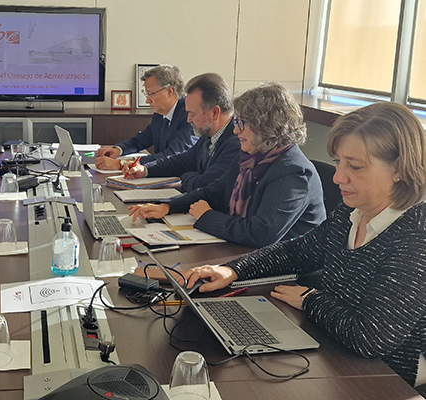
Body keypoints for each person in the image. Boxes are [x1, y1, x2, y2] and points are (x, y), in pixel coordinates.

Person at [180, 102, 426, 389]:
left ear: (399, 168)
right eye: (338, 162)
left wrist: (310, 299)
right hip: (336, 346)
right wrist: (232, 270)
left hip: (390, 374)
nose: (338, 177)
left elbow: (370, 337)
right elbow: (296, 252)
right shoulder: (352, 211)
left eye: (355, 166)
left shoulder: (416, 236)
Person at [129, 83, 325, 248]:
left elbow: (261, 234)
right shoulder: (251, 156)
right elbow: (215, 191)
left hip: (284, 271)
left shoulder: (293, 172)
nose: (236, 130)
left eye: (242, 123)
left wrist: (206, 216)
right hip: (243, 251)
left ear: (267, 125)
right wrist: (166, 206)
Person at [121, 73, 240, 193]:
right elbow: (183, 161)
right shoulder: (209, 133)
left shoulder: (236, 142)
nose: (188, 120)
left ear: (214, 112)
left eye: (192, 114)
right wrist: (145, 170)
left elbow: (204, 185)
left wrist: (185, 176)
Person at [95, 65, 197, 170]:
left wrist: (121, 164)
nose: (147, 100)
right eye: (146, 94)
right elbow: (140, 140)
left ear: (169, 91)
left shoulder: (189, 115)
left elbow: (172, 155)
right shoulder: (160, 114)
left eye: (151, 93)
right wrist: (118, 150)